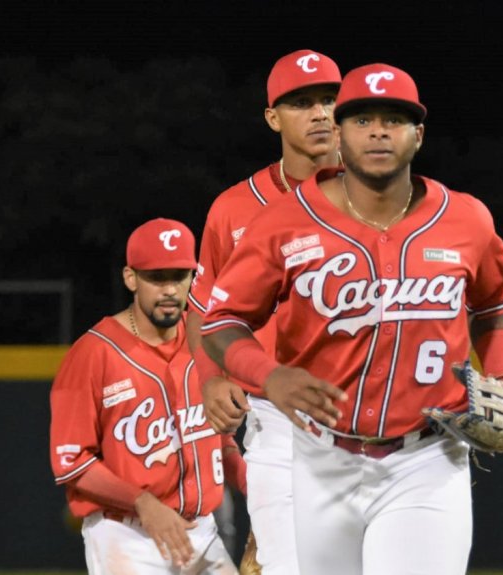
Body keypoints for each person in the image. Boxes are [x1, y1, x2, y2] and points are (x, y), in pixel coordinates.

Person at [200, 63, 503, 575]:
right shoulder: (285, 220)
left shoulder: (466, 219)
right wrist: (268, 375)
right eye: (363, 119)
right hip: (318, 455)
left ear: (418, 134)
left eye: (394, 119)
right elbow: (221, 319)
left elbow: (497, 305)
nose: (378, 132)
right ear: (341, 133)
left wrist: (502, 378)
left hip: (427, 457)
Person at [186, 48, 341, 575]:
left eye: (329, 100)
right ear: (273, 118)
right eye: (302, 103)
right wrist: (210, 379)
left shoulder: (380, 197)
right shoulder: (234, 208)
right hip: (275, 416)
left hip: (369, 412)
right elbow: (204, 310)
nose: (319, 113)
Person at [49, 218, 245, 574]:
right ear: (130, 278)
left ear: (193, 277)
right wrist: (141, 502)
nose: (169, 289)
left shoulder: (206, 342)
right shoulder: (93, 353)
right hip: (127, 534)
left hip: (203, 532)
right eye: (156, 278)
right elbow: (72, 462)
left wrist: (266, 501)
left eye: (178, 276)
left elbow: (222, 440)